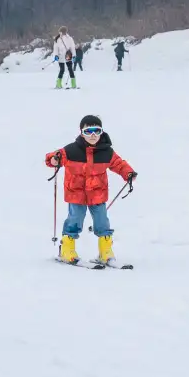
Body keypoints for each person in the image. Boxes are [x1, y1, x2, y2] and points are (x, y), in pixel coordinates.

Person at [45, 114, 136, 266]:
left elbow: (119, 164)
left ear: (101, 132)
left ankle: (105, 251)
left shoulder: (106, 152)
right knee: (74, 220)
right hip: (76, 194)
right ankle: (67, 249)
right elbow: (53, 158)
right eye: (88, 131)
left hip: (97, 194)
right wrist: (54, 159)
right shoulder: (71, 150)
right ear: (81, 132)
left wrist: (128, 173)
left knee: (102, 222)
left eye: (97, 131)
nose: (93, 135)